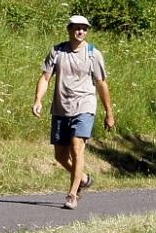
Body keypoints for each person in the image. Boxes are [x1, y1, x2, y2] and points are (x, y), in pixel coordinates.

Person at [31, 15, 114, 208]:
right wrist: (38, 100)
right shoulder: (57, 51)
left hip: (84, 106)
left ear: (87, 32)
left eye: (84, 29)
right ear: (69, 29)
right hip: (61, 107)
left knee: (77, 148)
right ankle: (84, 179)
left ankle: (72, 194)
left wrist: (109, 112)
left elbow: (101, 84)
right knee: (60, 156)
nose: (80, 31)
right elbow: (45, 77)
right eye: (76, 28)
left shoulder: (93, 54)